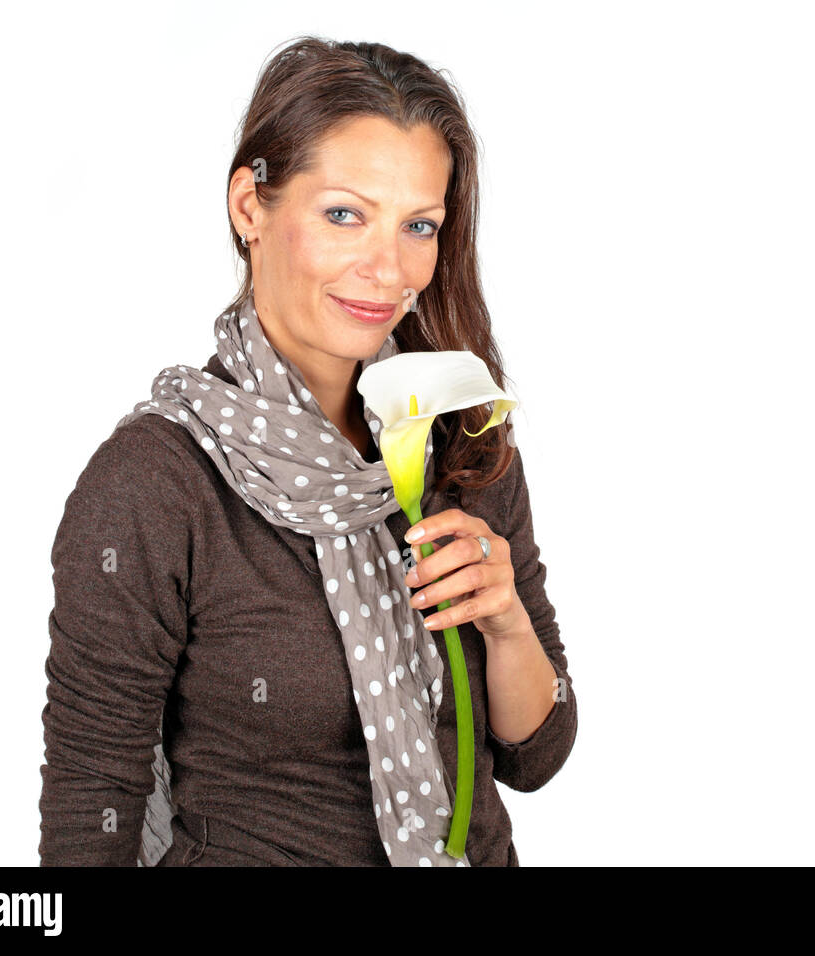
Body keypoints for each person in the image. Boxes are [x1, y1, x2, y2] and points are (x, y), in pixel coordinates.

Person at [38, 36, 577, 866]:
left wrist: (506, 623)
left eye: (419, 225)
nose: (388, 268)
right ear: (250, 207)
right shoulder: (155, 482)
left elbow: (536, 754)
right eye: (343, 214)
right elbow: (89, 813)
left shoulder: (460, 434)